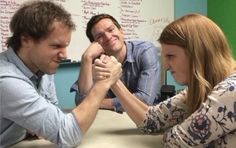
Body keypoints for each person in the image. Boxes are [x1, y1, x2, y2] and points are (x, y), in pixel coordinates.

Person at [94, 13, 236, 147]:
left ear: (197, 53)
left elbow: (176, 142)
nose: (167, 66)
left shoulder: (231, 89)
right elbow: (152, 121)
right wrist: (114, 80)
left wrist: (180, 126)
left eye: (171, 56)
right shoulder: (199, 88)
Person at [0, 1, 122, 147]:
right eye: (56, 46)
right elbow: (68, 135)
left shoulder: (43, 65)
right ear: (26, 39)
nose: (64, 55)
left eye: (66, 46)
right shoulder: (5, 79)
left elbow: (53, 109)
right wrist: (103, 83)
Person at [71, 13, 161, 113]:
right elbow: (81, 103)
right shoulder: (95, 60)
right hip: (111, 117)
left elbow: (144, 100)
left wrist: (96, 102)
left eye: (111, 30)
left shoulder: (145, 51)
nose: (108, 37)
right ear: (95, 44)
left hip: (146, 117)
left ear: (121, 31)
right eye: (100, 35)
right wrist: (86, 58)